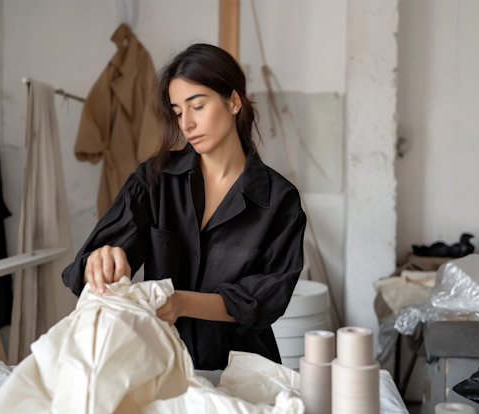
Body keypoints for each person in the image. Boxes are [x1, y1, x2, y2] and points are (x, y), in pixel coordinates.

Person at [62, 44, 306, 371]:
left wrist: (181, 302)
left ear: (234, 101)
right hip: (163, 367)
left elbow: (263, 300)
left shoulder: (279, 200)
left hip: (244, 373)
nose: (186, 124)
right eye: (178, 112)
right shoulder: (153, 180)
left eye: (198, 106)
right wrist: (103, 260)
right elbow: (93, 260)